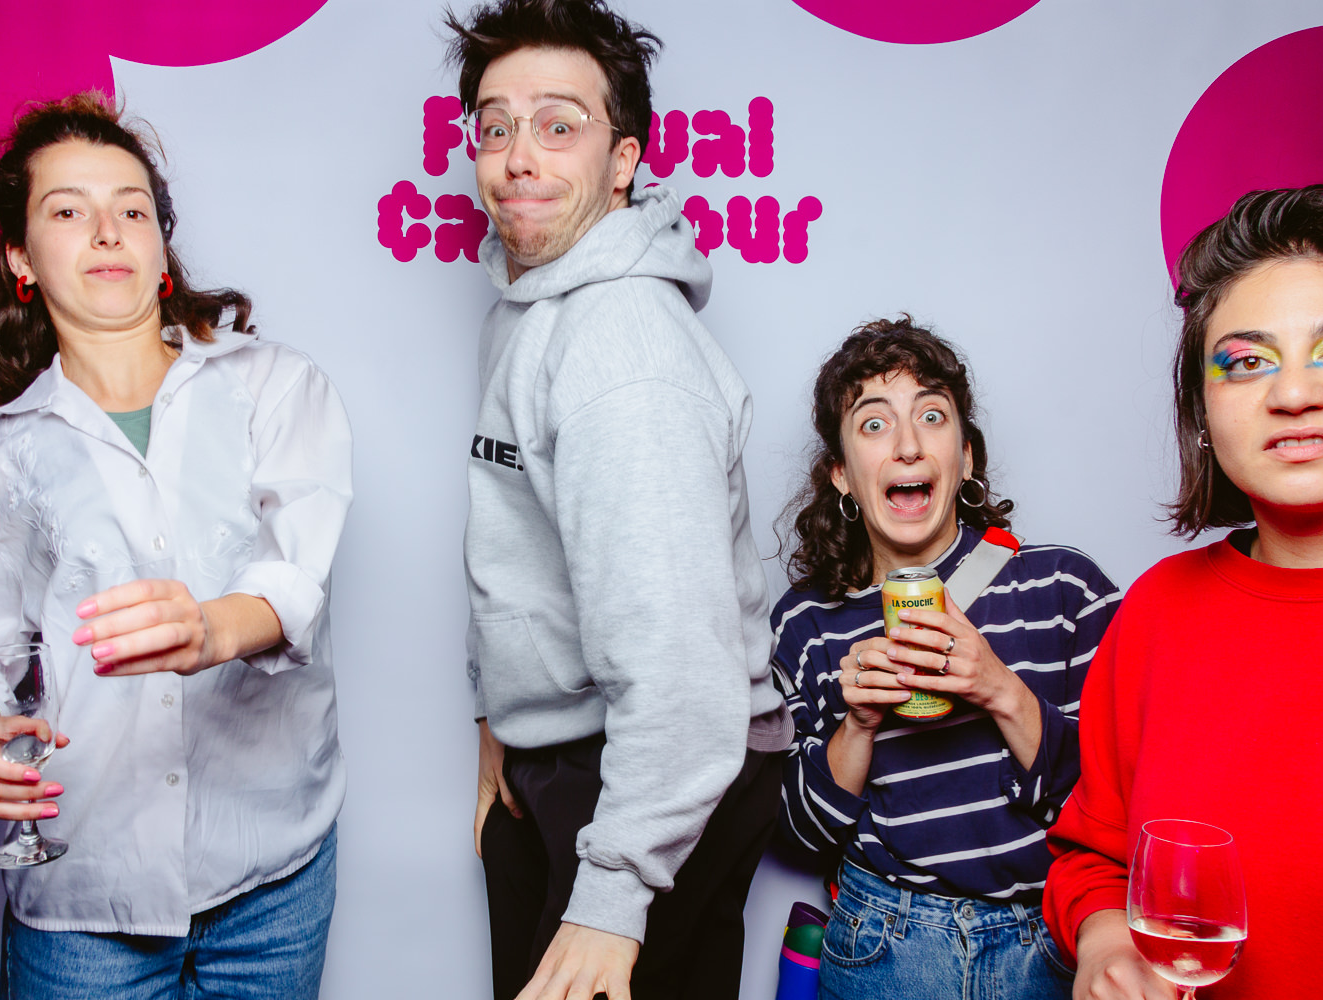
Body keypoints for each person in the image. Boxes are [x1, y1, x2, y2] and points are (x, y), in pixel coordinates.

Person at [0, 92, 353, 999]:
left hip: (274, 878)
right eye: (67, 211)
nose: (106, 232)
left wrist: (211, 628)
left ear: (161, 248)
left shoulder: (277, 387)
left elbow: (299, 573)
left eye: (132, 210)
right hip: (85, 897)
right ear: (21, 258)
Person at [443, 1, 791, 997]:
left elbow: (677, 653)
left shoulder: (620, 346)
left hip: (653, 777)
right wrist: (502, 721)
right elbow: (527, 552)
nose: (519, 157)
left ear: (624, 159)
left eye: (560, 125)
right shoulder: (531, 309)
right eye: (496, 127)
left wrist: (615, 890)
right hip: (574, 755)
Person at [1043, 185, 1323, 999]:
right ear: (1201, 411)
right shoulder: (1159, 611)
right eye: (1246, 361)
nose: (1294, 394)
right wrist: (1105, 939)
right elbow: (1093, 858)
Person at [773, 316, 1121, 1000]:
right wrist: (859, 724)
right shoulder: (805, 621)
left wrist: (999, 689)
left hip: (1052, 942)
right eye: (874, 424)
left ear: (964, 458)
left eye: (931, 417)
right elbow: (798, 835)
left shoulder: (1064, 587)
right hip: (884, 946)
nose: (907, 445)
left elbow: (1119, 806)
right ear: (842, 475)